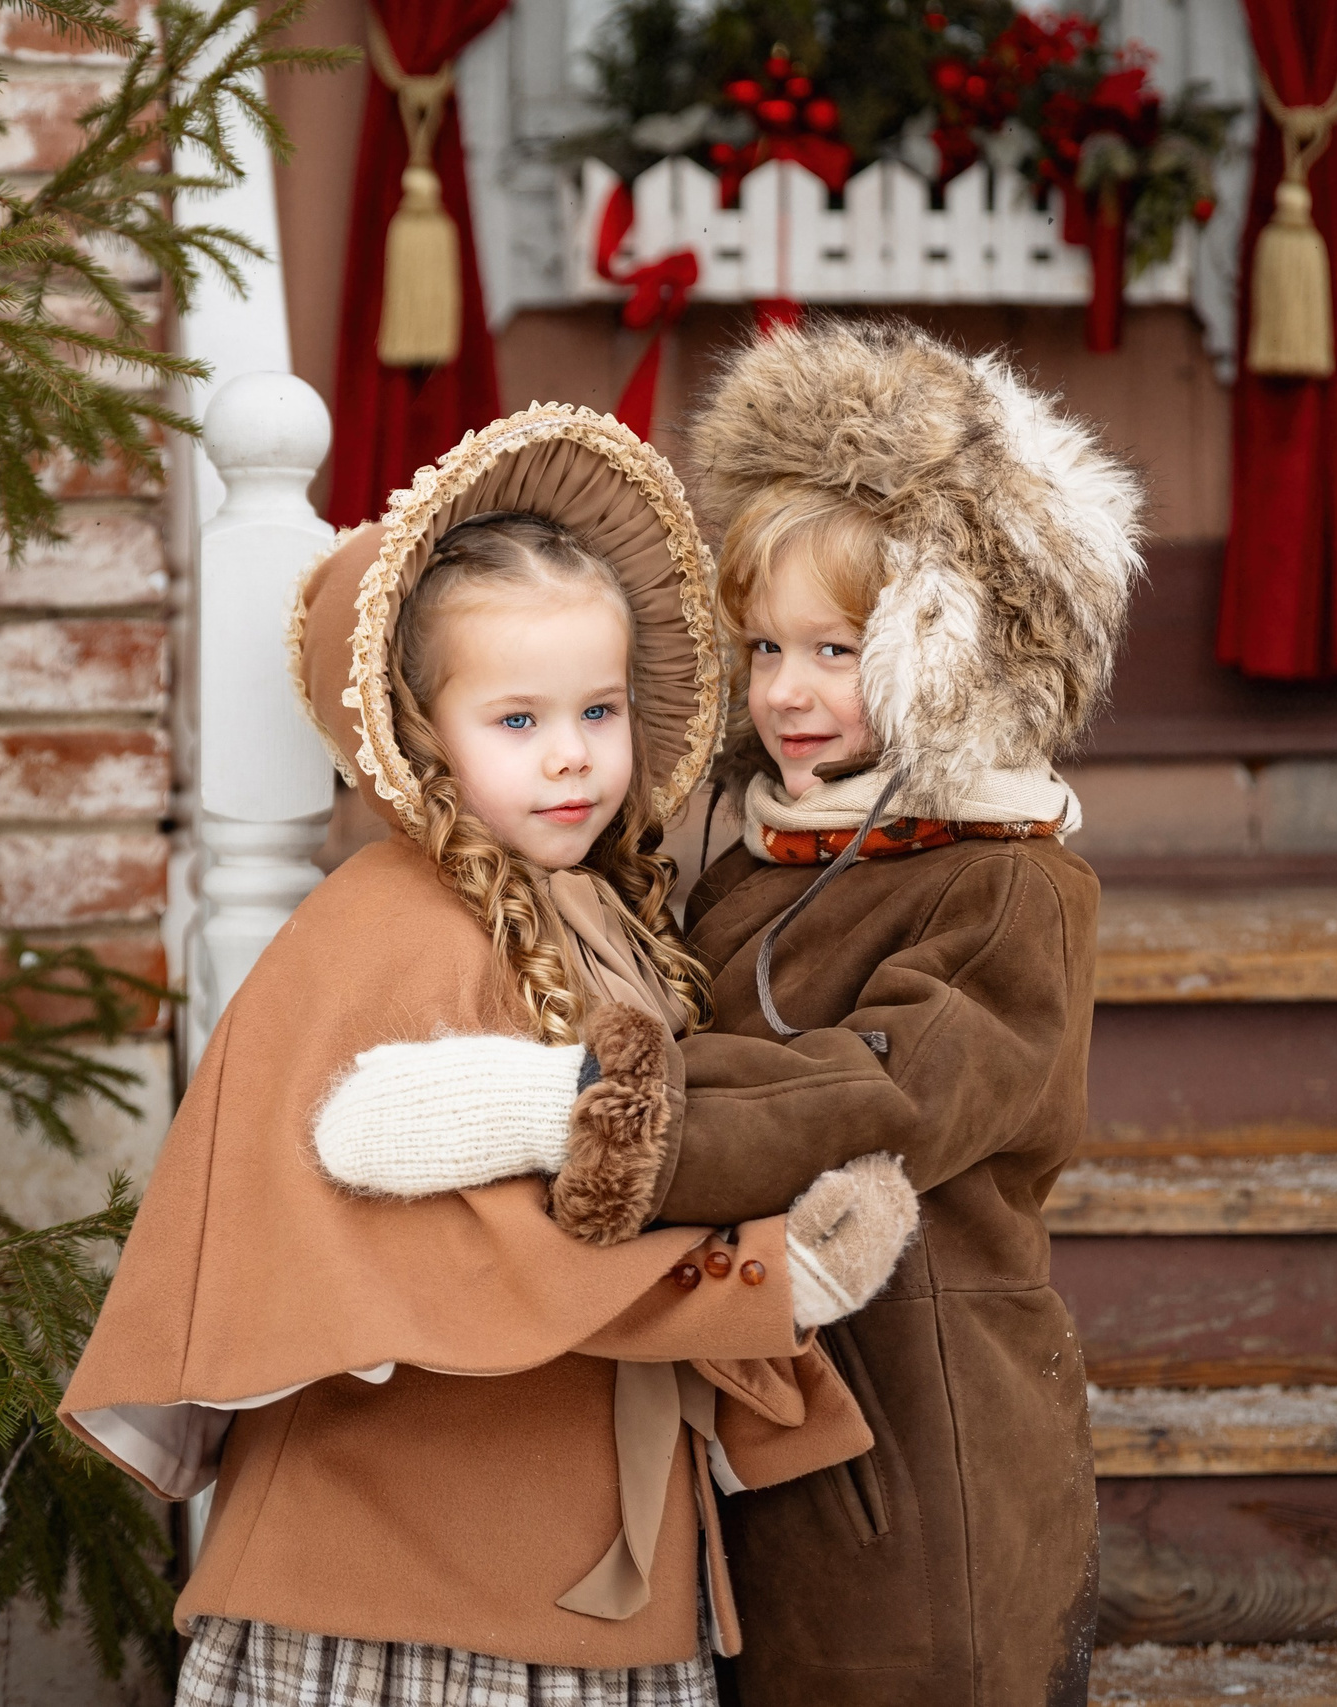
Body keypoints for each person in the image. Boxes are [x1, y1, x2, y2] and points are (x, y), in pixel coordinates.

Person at [314, 323, 1144, 1707]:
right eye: (764, 645)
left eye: (837, 648)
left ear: (952, 656)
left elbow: (876, 1095)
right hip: (762, 1398)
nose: (786, 691)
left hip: (920, 1435)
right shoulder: (767, 856)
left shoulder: (1006, 888)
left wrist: (576, 1114)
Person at [60, 403, 922, 1707]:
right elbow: (409, 1174)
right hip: (414, 1561)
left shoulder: (605, 912)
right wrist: (743, 1266)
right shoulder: (395, 921)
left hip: (565, 1532)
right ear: (422, 733)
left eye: (598, 709)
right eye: (517, 721)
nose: (572, 755)